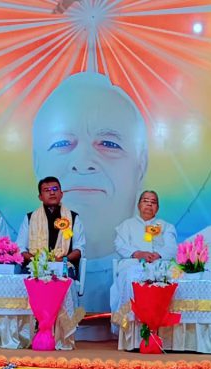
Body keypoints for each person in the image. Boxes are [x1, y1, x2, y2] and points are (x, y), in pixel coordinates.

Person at [32, 71, 148, 310]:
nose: (83, 162)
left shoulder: (146, 244)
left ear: (141, 166)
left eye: (109, 144)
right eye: (62, 143)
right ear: (37, 163)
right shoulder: (31, 223)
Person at [110, 190, 177, 311]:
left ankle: (164, 317)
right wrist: (138, 253)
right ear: (139, 205)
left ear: (157, 208)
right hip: (134, 263)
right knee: (130, 277)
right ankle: (131, 317)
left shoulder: (166, 226)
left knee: (175, 277)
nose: (149, 204)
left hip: (159, 263)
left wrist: (158, 254)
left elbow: (172, 247)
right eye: (145, 201)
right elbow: (119, 245)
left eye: (153, 202)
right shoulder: (126, 225)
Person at [16, 176, 86, 279]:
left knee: (65, 278)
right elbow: (20, 248)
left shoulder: (73, 217)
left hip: (63, 265)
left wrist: (63, 259)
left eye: (55, 189)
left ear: (61, 194)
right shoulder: (30, 218)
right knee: (23, 278)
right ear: (40, 197)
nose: (52, 193)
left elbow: (79, 248)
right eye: (47, 190)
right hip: (35, 264)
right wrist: (36, 260)